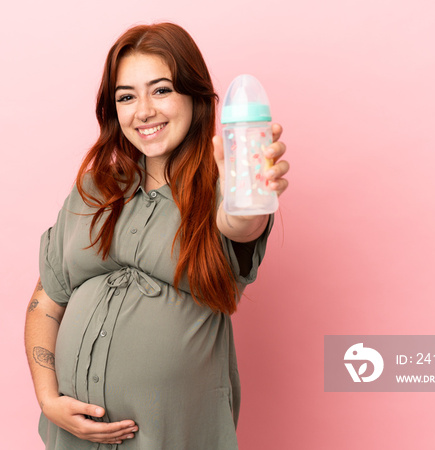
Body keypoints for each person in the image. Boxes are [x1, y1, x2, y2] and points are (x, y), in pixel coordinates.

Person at [24, 22, 289, 449]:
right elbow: (45, 302)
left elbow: (241, 224)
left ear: (195, 96)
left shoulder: (224, 188)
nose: (143, 111)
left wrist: (253, 195)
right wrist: (48, 398)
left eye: (161, 90)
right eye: (126, 97)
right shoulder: (94, 189)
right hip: (72, 439)